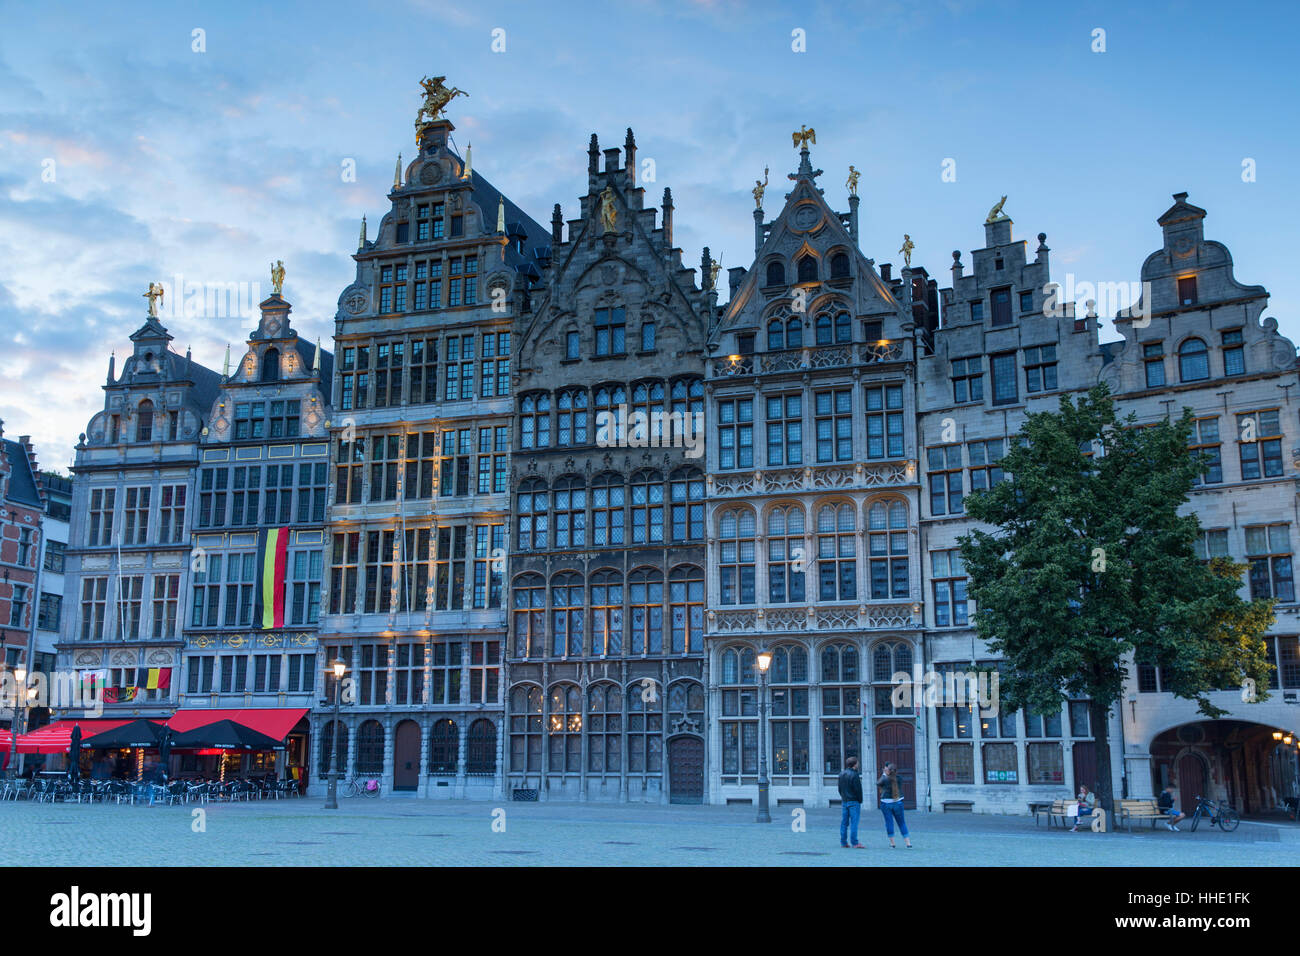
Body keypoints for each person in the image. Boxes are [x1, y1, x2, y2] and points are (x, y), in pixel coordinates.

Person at [877, 762, 911, 848]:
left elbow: (878, 783)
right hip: (898, 802)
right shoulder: (899, 778)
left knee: (889, 822)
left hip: (886, 803)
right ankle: (908, 843)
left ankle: (892, 843)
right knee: (902, 823)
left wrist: (884, 774)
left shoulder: (884, 779)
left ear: (888, 771)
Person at [837, 756, 865, 848]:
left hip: (845, 801)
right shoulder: (855, 775)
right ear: (855, 764)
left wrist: (843, 797)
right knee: (854, 823)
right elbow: (858, 790)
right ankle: (855, 842)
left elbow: (839, 789)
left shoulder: (841, 774)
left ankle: (843, 842)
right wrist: (860, 800)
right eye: (857, 763)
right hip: (854, 801)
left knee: (844, 823)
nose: (858, 764)